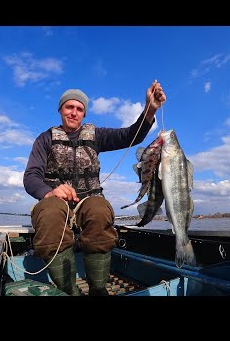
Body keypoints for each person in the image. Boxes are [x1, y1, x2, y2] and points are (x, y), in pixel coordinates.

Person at [23, 80, 166, 296]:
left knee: (99, 211)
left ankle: (98, 290)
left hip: (89, 201)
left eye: (79, 109)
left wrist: (150, 109)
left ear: (84, 114)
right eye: (69, 107)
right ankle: (70, 291)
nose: (74, 112)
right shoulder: (45, 139)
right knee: (49, 214)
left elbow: (130, 135)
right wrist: (49, 192)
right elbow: (31, 177)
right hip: (56, 203)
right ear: (60, 109)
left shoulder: (96, 135)